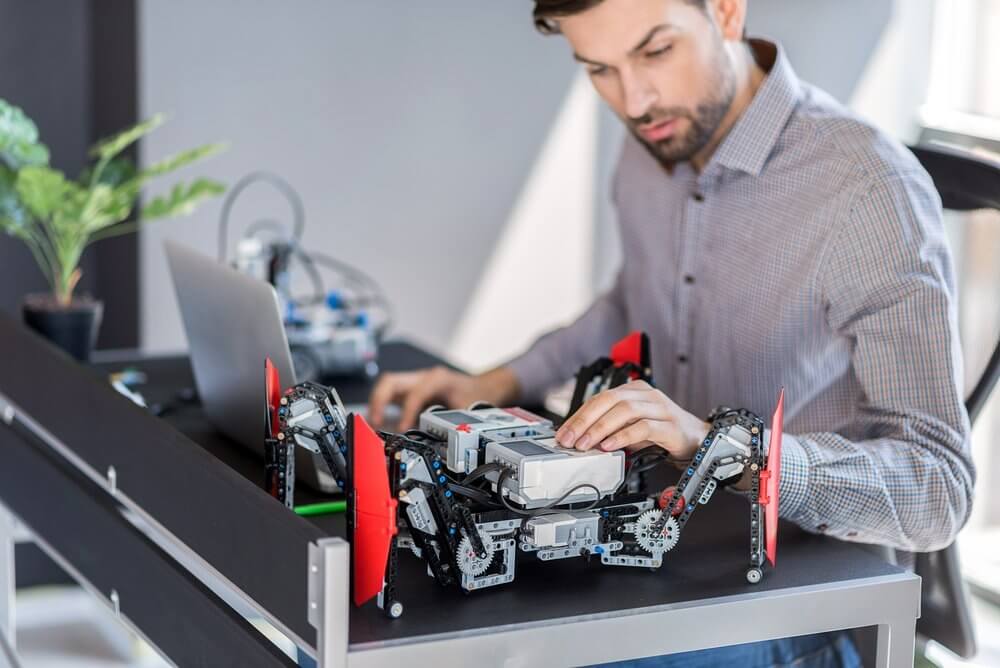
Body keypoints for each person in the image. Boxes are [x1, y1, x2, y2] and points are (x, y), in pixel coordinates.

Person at [368, 1, 975, 664]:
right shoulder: (650, 146)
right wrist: (495, 382)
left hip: (803, 603)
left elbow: (938, 487)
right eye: (600, 69)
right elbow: (631, 304)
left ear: (726, 11)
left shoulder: (867, 189)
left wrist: (727, 451)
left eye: (656, 52)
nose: (634, 99)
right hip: (661, 558)